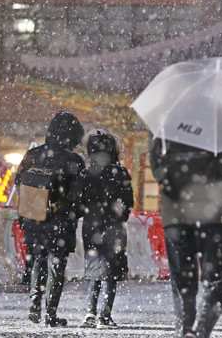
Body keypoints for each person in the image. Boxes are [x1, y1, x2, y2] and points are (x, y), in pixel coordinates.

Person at [149, 135, 222, 338]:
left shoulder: (166, 118)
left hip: (177, 210)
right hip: (214, 211)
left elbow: (158, 168)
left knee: (182, 281)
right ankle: (201, 331)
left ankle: (184, 331)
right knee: (220, 279)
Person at [14, 111, 85, 327]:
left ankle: (35, 301)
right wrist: (67, 209)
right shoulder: (74, 160)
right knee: (56, 265)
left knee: (39, 259)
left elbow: (20, 183)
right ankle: (51, 314)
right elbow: (80, 196)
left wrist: (37, 206)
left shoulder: (33, 154)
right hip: (61, 221)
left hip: (35, 219)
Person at [77, 129, 134, 329]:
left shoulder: (85, 174)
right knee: (111, 273)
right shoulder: (120, 173)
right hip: (114, 228)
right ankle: (105, 315)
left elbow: (79, 202)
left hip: (92, 227)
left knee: (95, 270)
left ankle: (90, 312)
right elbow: (128, 203)